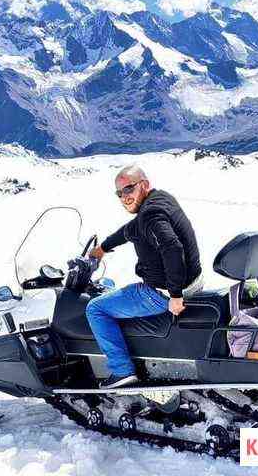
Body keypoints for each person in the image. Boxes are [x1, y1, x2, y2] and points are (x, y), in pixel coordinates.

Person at [86, 165, 203, 389]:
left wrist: (175, 295)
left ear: (144, 185)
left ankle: (121, 371)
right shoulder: (160, 200)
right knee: (110, 288)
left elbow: (172, 247)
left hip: (161, 293)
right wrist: (102, 248)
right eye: (119, 193)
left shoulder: (150, 214)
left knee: (95, 308)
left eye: (129, 189)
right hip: (193, 282)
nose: (124, 197)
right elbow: (131, 230)